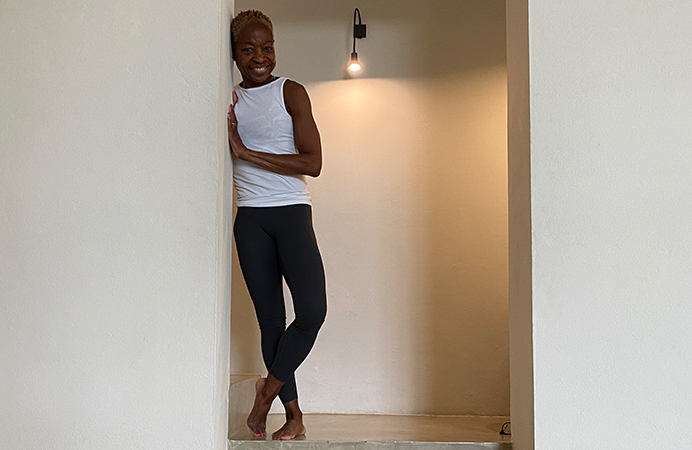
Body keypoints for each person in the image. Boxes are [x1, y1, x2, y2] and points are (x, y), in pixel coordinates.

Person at [227, 9, 327, 441]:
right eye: (248, 49)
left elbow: (313, 162)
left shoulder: (292, 92)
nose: (259, 57)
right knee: (271, 321)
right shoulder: (228, 98)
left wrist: (246, 152)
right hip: (250, 218)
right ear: (234, 54)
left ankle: (265, 394)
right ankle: (294, 416)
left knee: (311, 313)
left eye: (266, 47)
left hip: (290, 212)